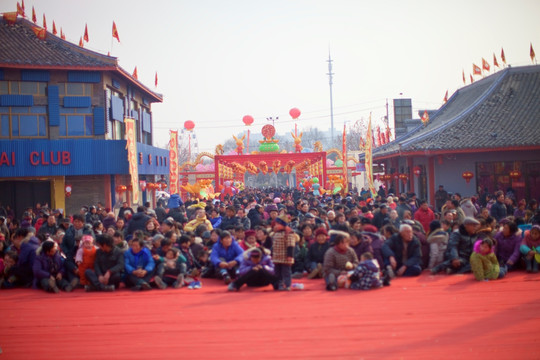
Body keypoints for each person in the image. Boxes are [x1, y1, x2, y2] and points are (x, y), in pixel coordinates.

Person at [271, 215, 297, 291]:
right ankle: (279, 284)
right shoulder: (275, 233)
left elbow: (290, 245)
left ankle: (287, 284)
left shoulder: (288, 233)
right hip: (277, 258)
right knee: (277, 273)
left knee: (286, 272)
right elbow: (274, 246)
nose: (276, 225)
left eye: (277, 224)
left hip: (285, 258)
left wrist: (290, 256)